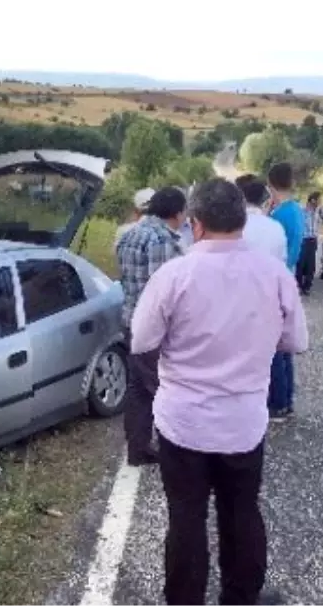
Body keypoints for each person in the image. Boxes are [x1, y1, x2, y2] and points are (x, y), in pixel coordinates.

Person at [131, 178, 307, 606]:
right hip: (243, 424)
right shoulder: (274, 274)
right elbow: (295, 342)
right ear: (242, 221)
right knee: (241, 512)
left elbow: (141, 340)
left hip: (184, 424)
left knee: (186, 518)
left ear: (196, 223)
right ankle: (241, 598)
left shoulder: (175, 274)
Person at [116, 186, 187, 466]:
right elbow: (164, 292)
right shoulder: (161, 240)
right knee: (165, 389)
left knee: (138, 389)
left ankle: (138, 448)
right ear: (178, 212)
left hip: (130, 320)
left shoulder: (130, 234)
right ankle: (180, 452)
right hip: (152, 330)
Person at [266, 163, 304, 423]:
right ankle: (286, 400)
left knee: (274, 347)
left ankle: (278, 403)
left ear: (270, 184)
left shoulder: (280, 215)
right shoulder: (296, 210)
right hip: (289, 277)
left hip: (277, 280)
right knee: (285, 345)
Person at [239, 178, 287, 265]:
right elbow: (282, 260)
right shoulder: (276, 227)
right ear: (264, 201)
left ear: (242, 199)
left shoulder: (234, 226)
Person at [296, 191, 322, 295]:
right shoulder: (302, 211)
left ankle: (307, 286)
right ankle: (298, 285)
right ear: (313, 200)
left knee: (311, 265)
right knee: (300, 263)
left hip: (313, 240)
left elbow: (317, 225)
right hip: (304, 240)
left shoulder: (316, 213)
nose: (320, 202)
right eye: (319, 200)